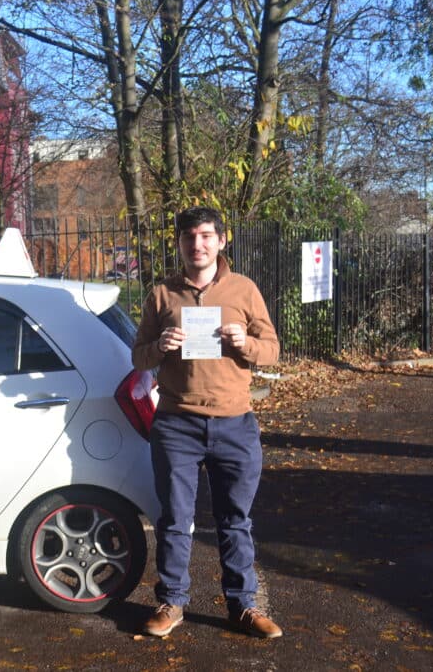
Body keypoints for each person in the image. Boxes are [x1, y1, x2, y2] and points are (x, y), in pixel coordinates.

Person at [132, 206, 282, 639]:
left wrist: (246, 343)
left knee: (236, 520)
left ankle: (243, 606)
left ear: (221, 240)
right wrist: (159, 345)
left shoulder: (243, 289)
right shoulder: (162, 294)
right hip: (177, 424)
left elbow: (272, 349)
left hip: (235, 423)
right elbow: (137, 356)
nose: (196, 244)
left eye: (204, 236)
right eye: (187, 236)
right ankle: (172, 602)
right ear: (178, 242)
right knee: (175, 520)